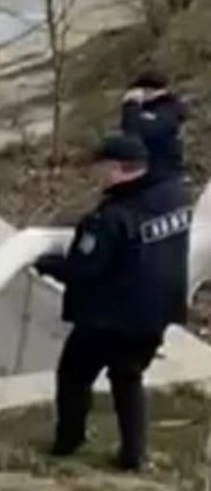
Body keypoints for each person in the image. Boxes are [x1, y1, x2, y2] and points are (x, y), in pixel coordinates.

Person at [34, 133, 190, 472]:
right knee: (128, 377)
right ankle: (134, 456)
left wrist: (47, 265)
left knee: (73, 376)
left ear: (116, 168)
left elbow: (83, 269)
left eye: (100, 167)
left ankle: (68, 442)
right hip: (156, 314)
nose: (96, 174)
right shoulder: (174, 197)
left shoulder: (109, 219)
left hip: (108, 319)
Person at [121, 70, 186, 181]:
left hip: (161, 174)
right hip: (147, 174)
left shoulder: (167, 109)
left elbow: (135, 134)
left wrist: (131, 106)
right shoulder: (144, 111)